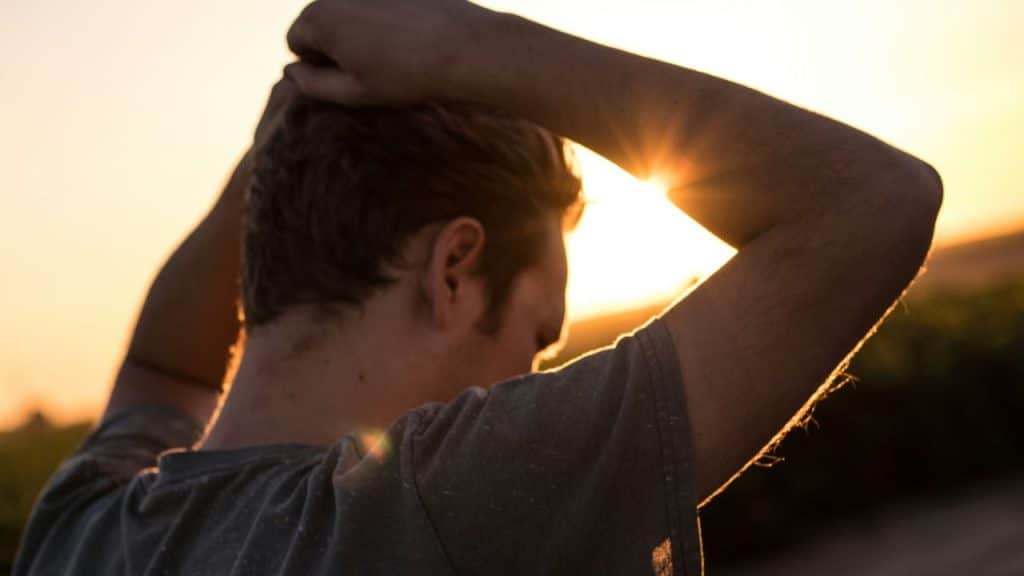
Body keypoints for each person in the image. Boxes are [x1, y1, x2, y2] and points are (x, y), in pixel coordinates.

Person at [14, 1, 942, 574]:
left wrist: (277, 145)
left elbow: (160, 368)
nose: (531, 376)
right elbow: (873, 205)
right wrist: (463, 40)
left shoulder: (83, 527)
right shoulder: (434, 509)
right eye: (538, 336)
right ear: (454, 271)